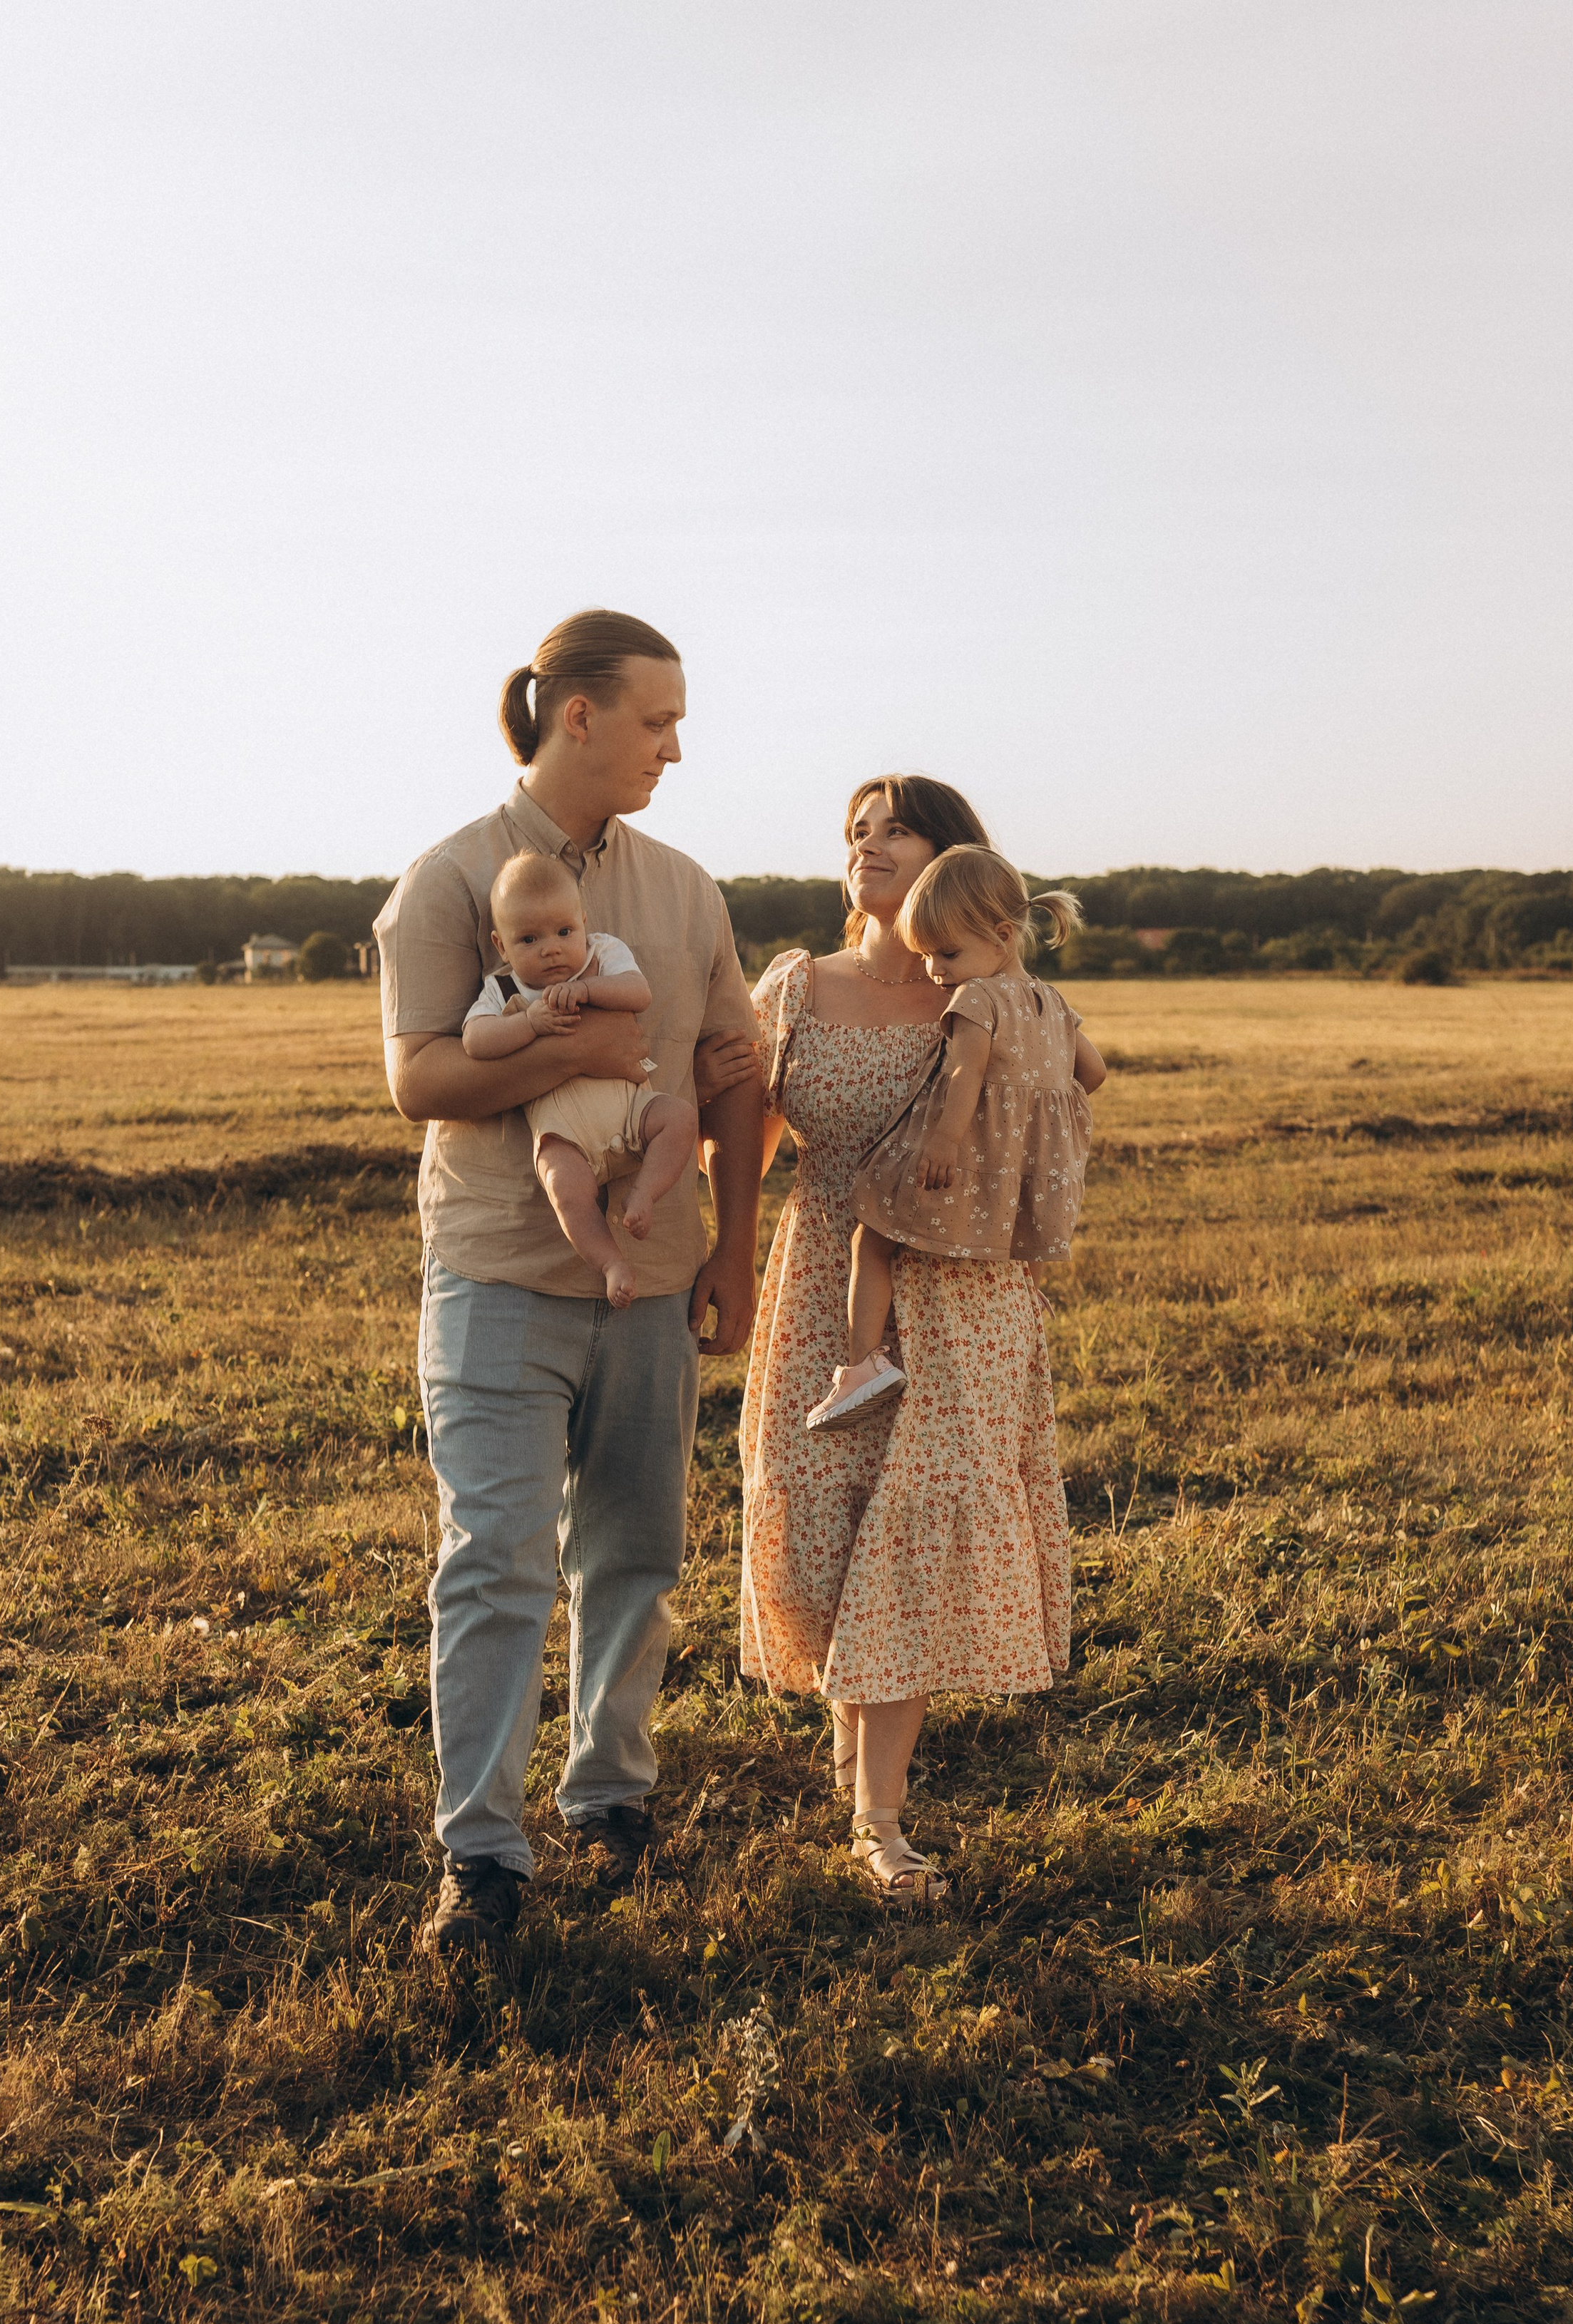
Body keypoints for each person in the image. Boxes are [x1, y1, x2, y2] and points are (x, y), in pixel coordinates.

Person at [375, 608, 762, 1955]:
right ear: (578, 716)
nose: (676, 746)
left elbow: (728, 1080)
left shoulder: (687, 888)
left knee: (638, 1554)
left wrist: (739, 1248)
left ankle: (612, 1802)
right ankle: (479, 1858)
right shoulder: (448, 879)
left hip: (654, 1280)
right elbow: (419, 1075)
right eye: (659, 720)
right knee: (492, 1561)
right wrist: (580, 1050)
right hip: (495, 1270)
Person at [732, 778, 1085, 1905]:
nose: (867, 846)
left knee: (915, 1539)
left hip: (963, 1299)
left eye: (895, 830)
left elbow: (1067, 1101)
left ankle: (878, 1819)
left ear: (954, 861)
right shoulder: (795, 987)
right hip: (823, 1282)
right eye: (855, 833)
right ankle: (854, 1773)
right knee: (829, 1520)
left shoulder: (995, 997)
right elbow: (739, 1139)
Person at [807, 845, 1105, 1432]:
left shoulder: (977, 998)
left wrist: (945, 1141)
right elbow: (1092, 1074)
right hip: (1025, 1172)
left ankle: (861, 1365)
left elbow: (964, 1073)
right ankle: (1025, 1306)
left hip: (964, 1161)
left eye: (947, 953)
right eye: (926, 957)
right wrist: (1036, 1112)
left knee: (872, 1236)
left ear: (1000, 935)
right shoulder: (1053, 1001)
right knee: (1026, 1239)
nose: (935, 971)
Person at [461, 850, 697, 1307]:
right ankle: (611, 1263)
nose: (552, 948)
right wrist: (529, 1023)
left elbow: (638, 991)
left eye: (565, 931)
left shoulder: (603, 953)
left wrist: (587, 988)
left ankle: (644, 1194)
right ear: (501, 945)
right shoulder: (504, 989)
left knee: (680, 1117)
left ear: (584, 923)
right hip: (563, 1134)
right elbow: (475, 1041)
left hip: (632, 1109)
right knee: (562, 1187)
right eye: (529, 939)